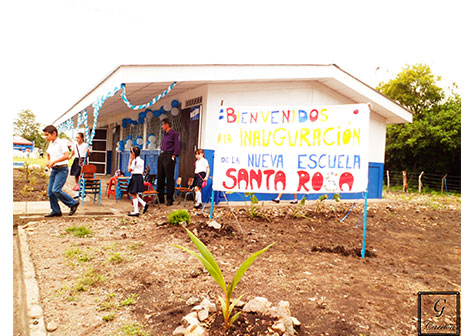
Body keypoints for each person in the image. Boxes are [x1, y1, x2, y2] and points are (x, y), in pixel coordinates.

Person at [43, 125, 80, 217]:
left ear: (54, 133)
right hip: (54, 170)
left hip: (62, 169)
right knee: (50, 192)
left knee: (56, 190)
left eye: (47, 135)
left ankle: (73, 203)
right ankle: (56, 211)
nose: (46, 137)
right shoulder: (51, 143)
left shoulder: (61, 143)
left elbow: (66, 156)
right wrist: (48, 161)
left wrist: (54, 161)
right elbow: (48, 154)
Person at [157, 118, 180, 206]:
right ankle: (160, 198)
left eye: (163, 125)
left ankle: (170, 199)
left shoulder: (174, 133)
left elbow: (177, 145)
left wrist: (174, 155)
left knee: (169, 178)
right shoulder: (165, 134)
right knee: (160, 177)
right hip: (162, 155)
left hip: (169, 155)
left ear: (167, 125)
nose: (162, 126)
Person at [127, 146, 149, 216]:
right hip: (139, 177)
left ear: (133, 153)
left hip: (135, 177)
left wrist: (129, 161)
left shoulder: (134, 161)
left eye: (131, 152)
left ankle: (136, 211)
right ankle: (144, 204)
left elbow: (129, 170)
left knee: (132, 193)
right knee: (134, 193)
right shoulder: (141, 160)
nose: (130, 154)